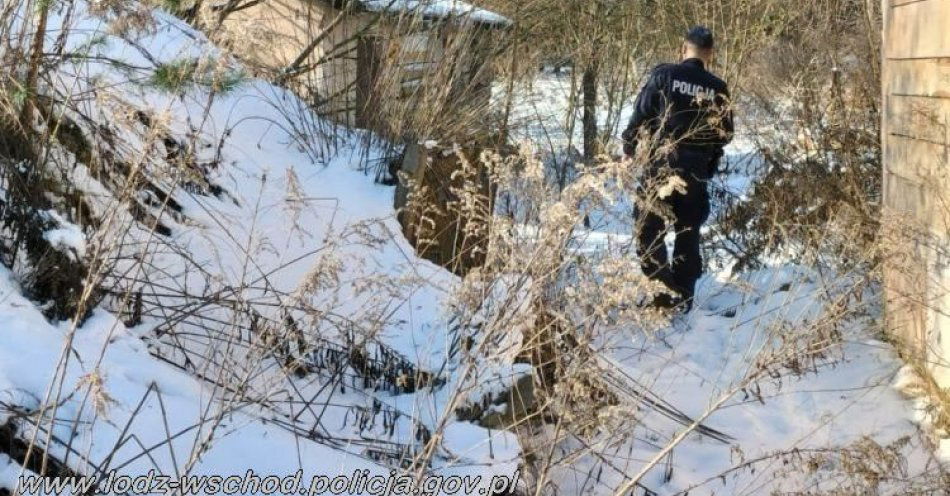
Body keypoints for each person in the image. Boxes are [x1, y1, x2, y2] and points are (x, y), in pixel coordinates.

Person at [622, 26, 734, 312]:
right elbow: (726, 133)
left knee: (648, 228)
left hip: (661, 164)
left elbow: (641, 115)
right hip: (696, 170)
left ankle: (661, 295)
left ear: (683, 48)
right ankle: (682, 297)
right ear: (709, 53)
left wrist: (629, 147)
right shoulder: (718, 88)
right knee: (688, 231)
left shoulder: (664, 75)